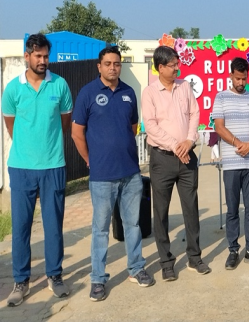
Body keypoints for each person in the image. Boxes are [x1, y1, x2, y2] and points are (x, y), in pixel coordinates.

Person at [71, 46, 155, 301]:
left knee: (133, 224)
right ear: (99, 66)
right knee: (100, 229)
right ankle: (98, 279)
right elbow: (77, 133)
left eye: (117, 63)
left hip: (130, 173)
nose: (112, 68)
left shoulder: (129, 93)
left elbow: (132, 127)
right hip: (102, 176)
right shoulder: (87, 93)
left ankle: (136, 268)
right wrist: (90, 160)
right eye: (107, 63)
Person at [2, 33, 73, 307]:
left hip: (53, 165)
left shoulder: (60, 85)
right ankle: (21, 281)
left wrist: (47, 147)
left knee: (53, 225)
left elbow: (65, 123)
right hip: (21, 167)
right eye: (38, 56)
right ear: (27, 56)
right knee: (21, 226)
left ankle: (55, 275)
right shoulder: (13, 89)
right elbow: (10, 125)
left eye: (46, 56)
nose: (43, 61)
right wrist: (28, 147)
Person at [142, 46, 211, 281]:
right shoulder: (150, 93)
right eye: (173, 65)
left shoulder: (184, 87)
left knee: (190, 208)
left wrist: (189, 140)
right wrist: (175, 145)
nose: (177, 68)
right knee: (161, 211)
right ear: (160, 67)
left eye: (177, 64)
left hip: (187, 157)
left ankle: (195, 257)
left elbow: (194, 114)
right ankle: (166, 262)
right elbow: (151, 126)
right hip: (162, 159)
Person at [211, 57, 249, 270]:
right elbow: (219, 127)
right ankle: (233, 250)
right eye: (237, 78)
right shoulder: (221, 97)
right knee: (232, 208)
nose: (241, 82)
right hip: (232, 163)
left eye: (244, 78)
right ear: (231, 76)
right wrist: (237, 143)